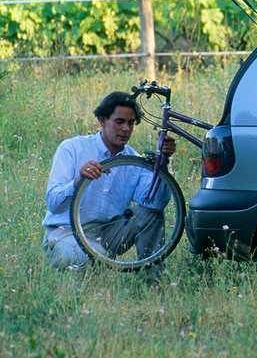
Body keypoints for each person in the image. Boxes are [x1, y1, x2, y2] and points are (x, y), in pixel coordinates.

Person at [42, 91, 176, 270]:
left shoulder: (134, 160)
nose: (126, 129)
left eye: (131, 123)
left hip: (109, 233)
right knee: (84, 259)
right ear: (102, 120)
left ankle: (152, 283)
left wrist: (163, 162)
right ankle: (96, 263)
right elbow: (53, 203)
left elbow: (155, 204)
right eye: (119, 122)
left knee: (152, 214)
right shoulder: (72, 148)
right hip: (66, 233)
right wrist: (78, 181)